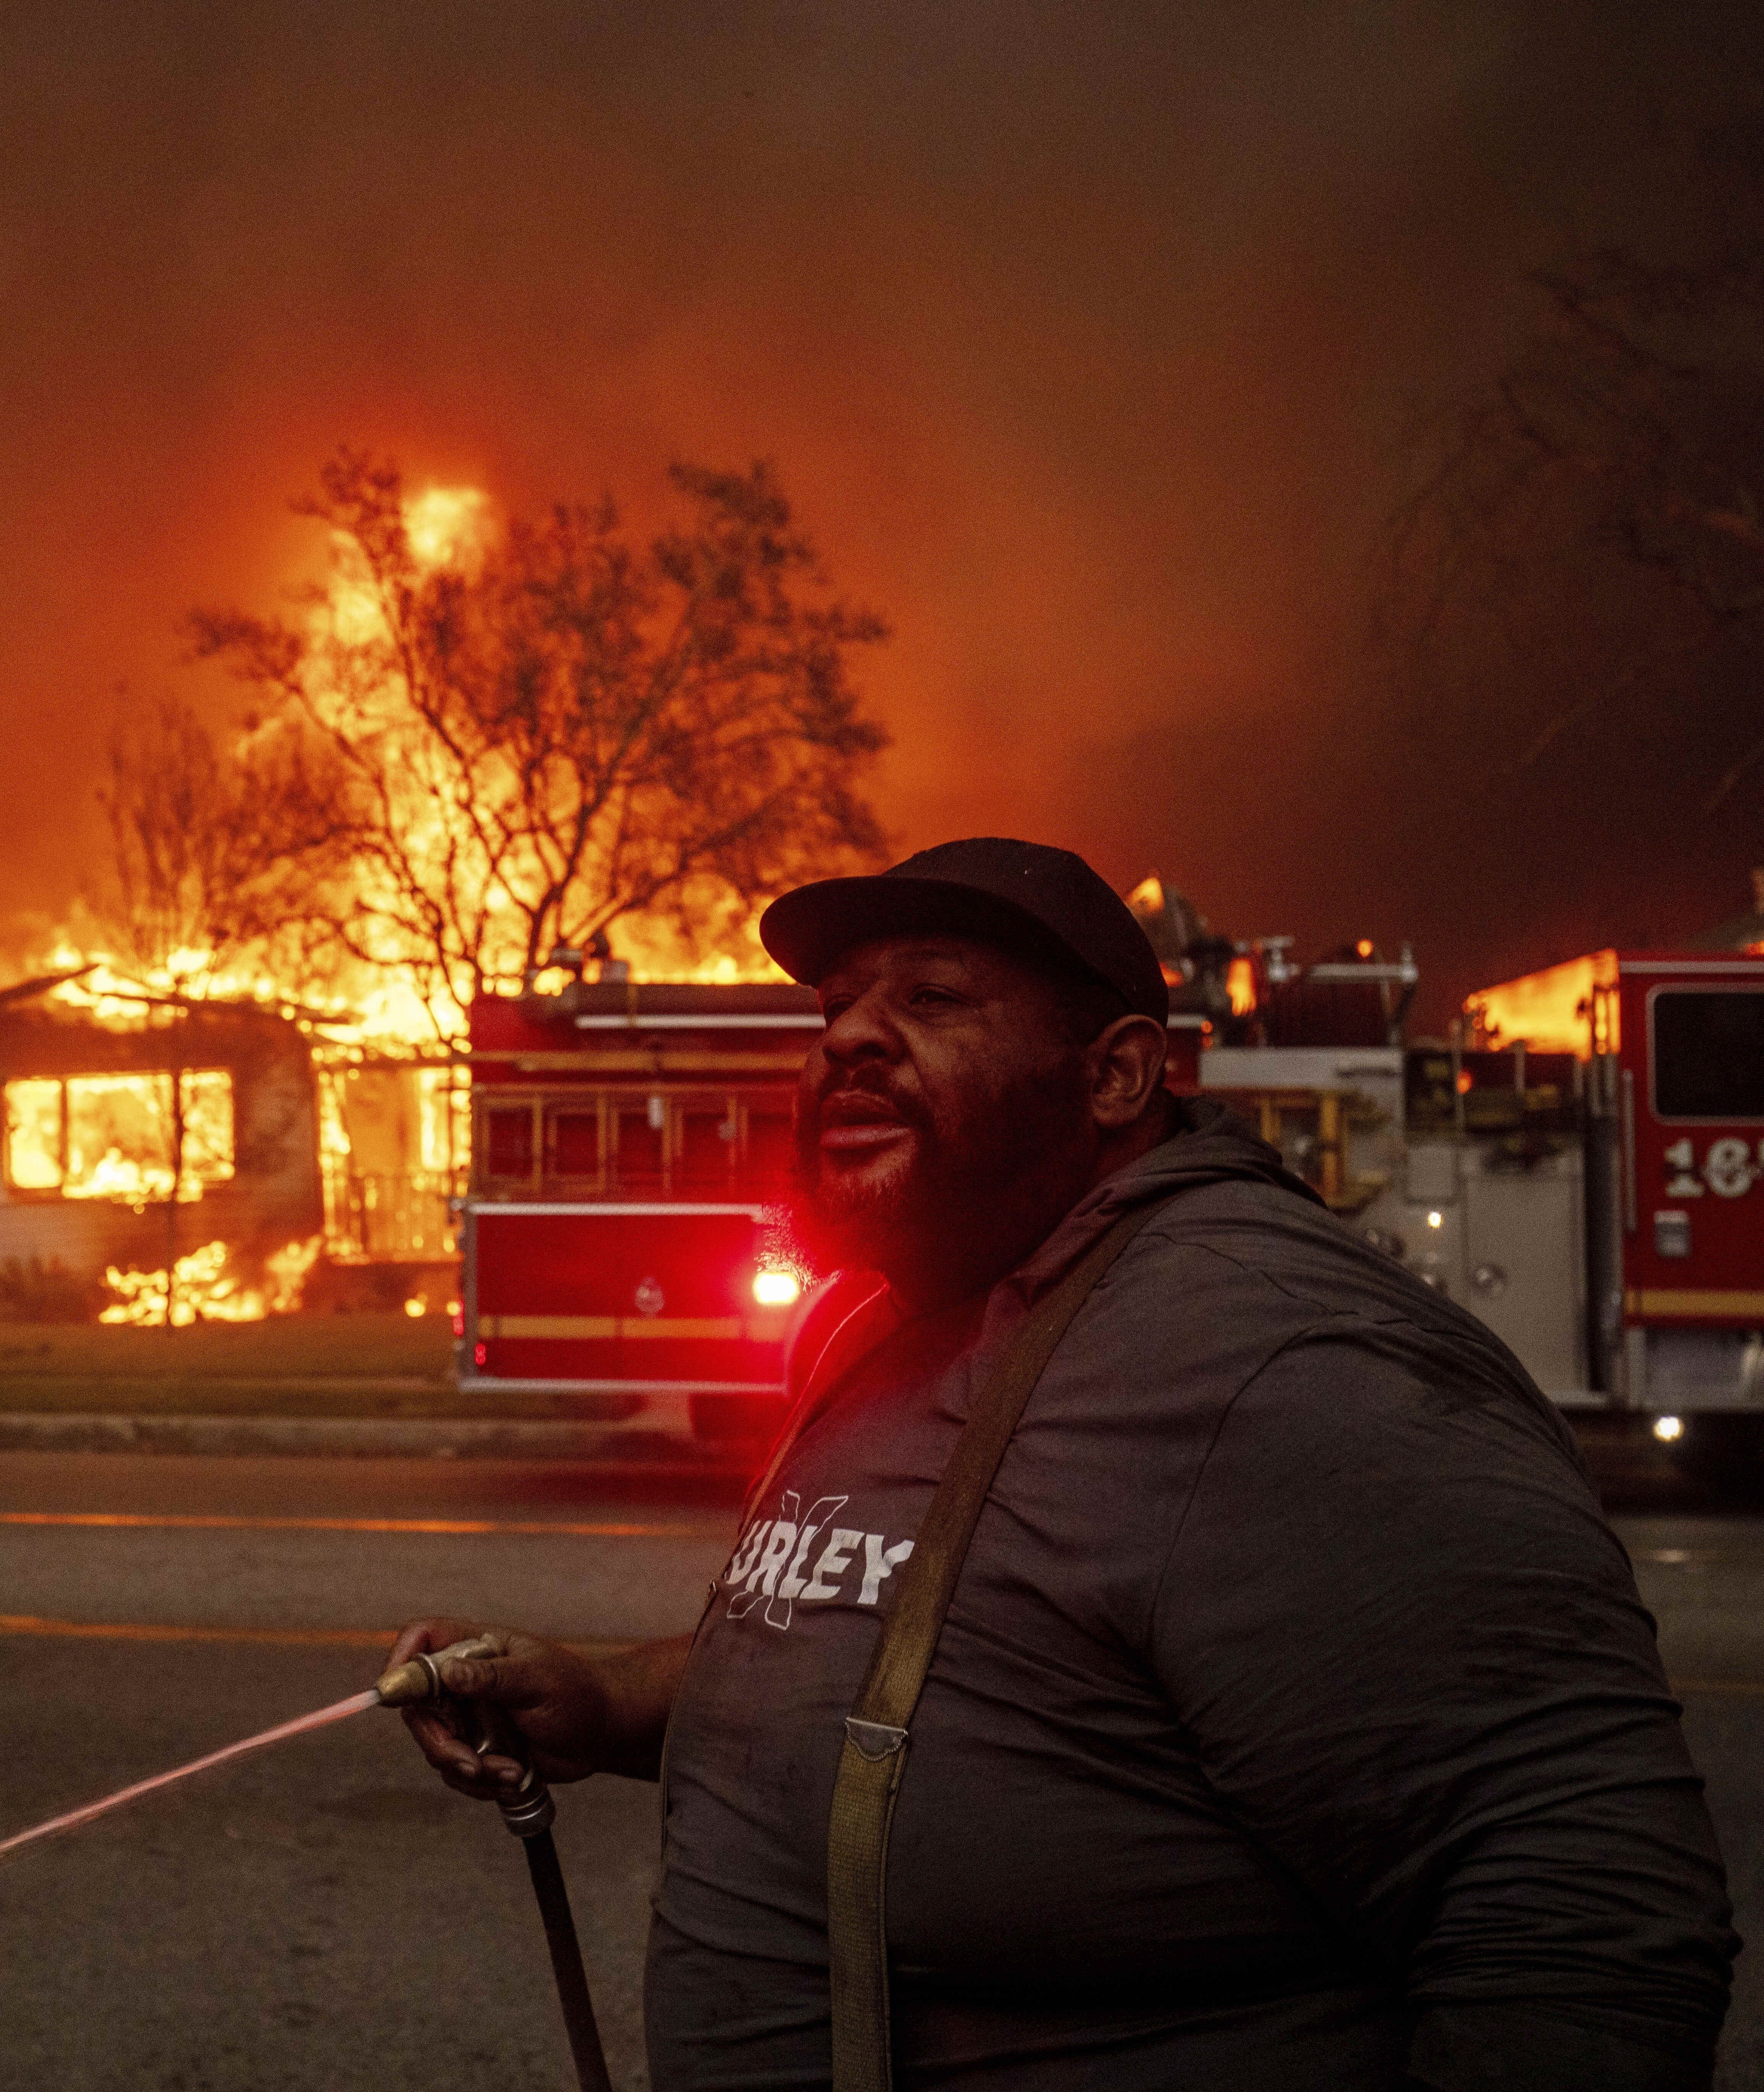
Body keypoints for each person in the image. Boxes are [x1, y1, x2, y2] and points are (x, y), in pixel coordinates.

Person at [390, 838, 1736, 2090]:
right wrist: (609, 1699)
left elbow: (1584, 1915)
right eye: (836, 1009)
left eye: (930, 998)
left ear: (1117, 1076)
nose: (850, 1036)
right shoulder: (888, 1321)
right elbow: (903, 1643)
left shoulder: (1274, 1360)